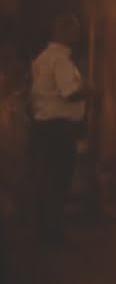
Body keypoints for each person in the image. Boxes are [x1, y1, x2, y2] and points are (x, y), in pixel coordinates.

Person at [29, 13, 87, 245]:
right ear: (62, 31)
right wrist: (90, 90)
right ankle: (54, 234)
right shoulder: (60, 60)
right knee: (59, 182)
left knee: (47, 181)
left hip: (44, 127)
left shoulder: (42, 58)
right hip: (59, 129)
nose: (78, 35)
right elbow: (69, 93)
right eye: (74, 30)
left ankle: (45, 232)